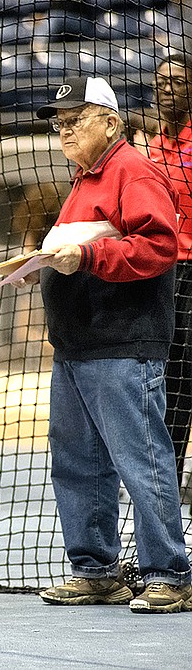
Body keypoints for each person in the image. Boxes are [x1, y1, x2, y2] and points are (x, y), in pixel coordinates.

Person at [30, 76, 191, 613]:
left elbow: (160, 246)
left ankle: (170, 572)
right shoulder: (86, 179)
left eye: (76, 120)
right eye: (60, 123)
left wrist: (89, 259)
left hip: (122, 342)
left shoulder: (132, 171)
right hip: (78, 344)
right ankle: (96, 569)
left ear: (111, 121)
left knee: (141, 460)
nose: (65, 131)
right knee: (78, 463)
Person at [145, 54, 192, 496]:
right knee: (170, 387)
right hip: (165, 273)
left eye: (177, 82)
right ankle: (168, 486)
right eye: (161, 81)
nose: (166, 88)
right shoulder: (152, 147)